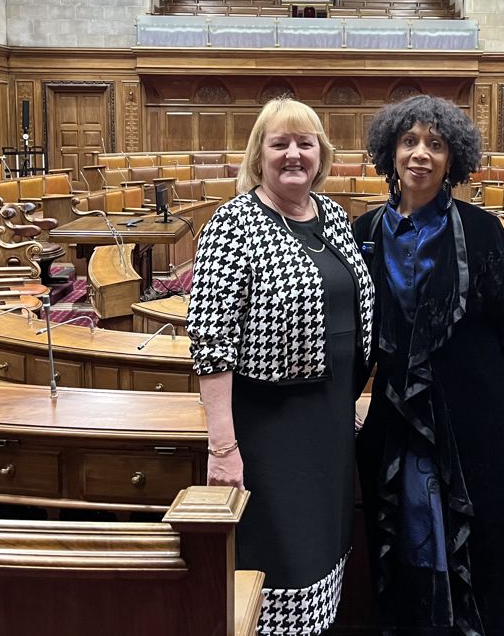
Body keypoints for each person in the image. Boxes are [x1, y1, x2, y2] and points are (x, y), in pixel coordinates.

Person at [353, 95, 504, 636]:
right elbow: (358, 335)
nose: (421, 154)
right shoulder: (365, 231)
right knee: (408, 530)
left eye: (435, 145)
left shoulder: (481, 229)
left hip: (479, 415)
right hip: (399, 416)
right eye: (410, 142)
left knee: (486, 541)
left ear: (452, 159)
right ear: (390, 152)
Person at [188, 97, 375, 635]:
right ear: (259, 155)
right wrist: (222, 446)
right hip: (270, 428)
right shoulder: (235, 223)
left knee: (324, 548)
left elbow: (349, 311)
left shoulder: (333, 215)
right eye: (280, 144)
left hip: (330, 421)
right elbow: (210, 340)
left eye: (305, 143)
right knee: (283, 559)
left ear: (321, 153)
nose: (294, 154)